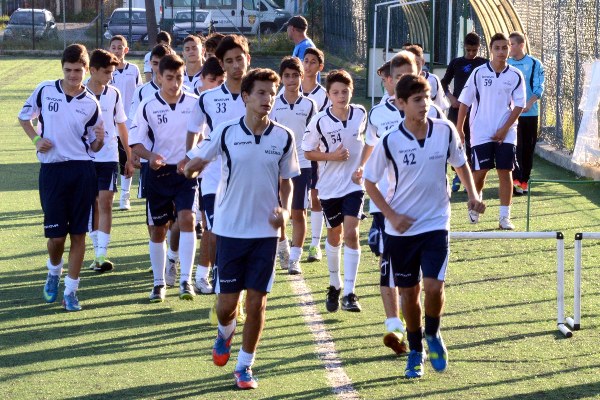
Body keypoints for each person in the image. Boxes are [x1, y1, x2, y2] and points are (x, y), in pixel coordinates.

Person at [184, 68, 300, 390]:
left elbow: (287, 183)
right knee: (226, 306)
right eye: (261, 93)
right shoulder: (225, 132)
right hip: (230, 230)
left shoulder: (283, 137)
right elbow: (197, 161)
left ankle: (245, 366)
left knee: (257, 303)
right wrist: (190, 169)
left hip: (265, 233)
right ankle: (224, 333)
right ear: (246, 96)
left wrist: (286, 213)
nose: (268, 99)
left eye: (272, 93)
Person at [364, 74, 485, 378]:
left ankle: (433, 334)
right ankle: (415, 350)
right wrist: (391, 215)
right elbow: (369, 182)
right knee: (409, 293)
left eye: (428, 97)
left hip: (435, 223)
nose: (425, 104)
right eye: (417, 99)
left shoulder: (444, 130)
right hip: (401, 230)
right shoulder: (389, 141)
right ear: (400, 103)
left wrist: (473, 194)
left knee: (433, 286)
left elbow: (460, 163)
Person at [353, 51, 446, 356]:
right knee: (387, 263)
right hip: (385, 204)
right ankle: (394, 323)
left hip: (426, 210)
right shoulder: (379, 113)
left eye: (413, 72)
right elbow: (371, 146)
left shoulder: (430, 110)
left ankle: (417, 330)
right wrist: (362, 168)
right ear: (389, 80)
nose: (407, 79)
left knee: (422, 283)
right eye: (401, 75)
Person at [18, 43, 105, 311]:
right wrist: (36, 139)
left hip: (82, 171)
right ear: (62, 68)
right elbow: (24, 118)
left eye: (78, 70)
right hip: (52, 171)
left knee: (79, 234)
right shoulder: (45, 90)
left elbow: (94, 145)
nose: (73, 75)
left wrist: (100, 142)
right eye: (68, 70)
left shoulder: (91, 103)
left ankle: (71, 291)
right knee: (56, 238)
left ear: (86, 70)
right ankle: (54, 270)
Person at [186, 34, 251, 318]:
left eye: (240, 59)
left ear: (248, 59)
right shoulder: (209, 98)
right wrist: (191, 158)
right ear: (222, 65)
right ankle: (222, 295)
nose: (236, 65)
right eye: (229, 61)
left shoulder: (261, 95)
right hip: (214, 179)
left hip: (251, 183)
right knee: (218, 234)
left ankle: (243, 297)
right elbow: (193, 130)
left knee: (247, 241)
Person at [129, 54, 200, 302]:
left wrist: (190, 157)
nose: (175, 83)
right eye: (169, 78)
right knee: (157, 231)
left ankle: (185, 281)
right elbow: (134, 142)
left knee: (187, 220)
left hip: (185, 173)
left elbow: (205, 136)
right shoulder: (147, 105)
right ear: (158, 77)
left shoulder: (195, 102)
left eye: (179, 77)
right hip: (157, 175)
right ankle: (159, 283)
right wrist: (150, 156)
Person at [302, 69, 366, 312]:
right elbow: (307, 151)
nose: (341, 96)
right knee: (335, 234)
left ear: (351, 92)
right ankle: (334, 284)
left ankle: (350, 292)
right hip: (329, 187)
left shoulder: (361, 113)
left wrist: (362, 167)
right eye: (336, 92)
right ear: (328, 95)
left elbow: (368, 143)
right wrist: (332, 156)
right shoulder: (320, 120)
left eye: (345, 91)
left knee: (352, 232)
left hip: (354, 185)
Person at [457, 33, 526, 230]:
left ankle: (504, 218)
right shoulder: (479, 73)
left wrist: (505, 129)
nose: (502, 52)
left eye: (505, 47)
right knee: (480, 172)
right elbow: (464, 102)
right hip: (481, 131)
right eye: (498, 48)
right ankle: (475, 205)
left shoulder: (515, 75)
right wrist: (460, 129)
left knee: (506, 172)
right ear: (490, 49)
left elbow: (519, 106)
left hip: (507, 132)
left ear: (509, 49)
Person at [86, 49, 133, 272]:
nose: (110, 76)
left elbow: (121, 124)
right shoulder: (80, 91)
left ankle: (101, 255)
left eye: (112, 72)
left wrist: (129, 155)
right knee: (91, 204)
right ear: (92, 70)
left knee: (105, 202)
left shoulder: (113, 93)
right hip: (84, 158)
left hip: (109, 156)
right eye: (106, 72)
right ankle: (96, 251)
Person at [270, 56, 317, 275]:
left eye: (295, 75)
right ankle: (282, 247)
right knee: (278, 211)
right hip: (276, 164)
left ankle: (295, 258)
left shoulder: (309, 105)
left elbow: (314, 134)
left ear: (301, 77)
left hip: (303, 164)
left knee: (299, 212)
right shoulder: (274, 102)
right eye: (286, 76)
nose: (291, 80)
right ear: (281, 79)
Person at [191, 55, 225, 293]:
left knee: (229, 231)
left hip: (240, 178)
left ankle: (222, 274)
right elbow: (194, 133)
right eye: (212, 79)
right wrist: (194, 158)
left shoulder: (249, 94)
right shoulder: (204, 99)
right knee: (211, 228)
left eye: (219, 79)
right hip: (211, 175)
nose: (216, 83)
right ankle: (203, 274)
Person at [441, 32, 487, 192]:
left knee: (474, 142)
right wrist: (451, 98)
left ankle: (473, 175)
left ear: (478, 48)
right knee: (457, 142)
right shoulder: (456, 63)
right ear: (464, 47)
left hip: (475, 111)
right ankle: (457, 175)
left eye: (474, 50)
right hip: (457, 109)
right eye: (469, 50)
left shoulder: (484, 64)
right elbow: (444, 83)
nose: (471, 54)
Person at [301, 47, 331, 262]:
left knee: (315, 196)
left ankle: (314, 244)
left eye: (313, 62)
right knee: (291, 199)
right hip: (293, 151)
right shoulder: (292, 89)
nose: (308, 65)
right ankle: (289, 243)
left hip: (314, 151)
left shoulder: (323, 94)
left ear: (320, 67)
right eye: (306, 61)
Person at [108, 35, 142, 210]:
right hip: (109, 122)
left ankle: (125, 197)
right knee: (108, 159)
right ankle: (109, 193)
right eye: (113, 47)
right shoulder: (107, 71)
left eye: (120, 47)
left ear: (126, 50)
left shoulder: (134, 70)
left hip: (128, 122)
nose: (116, 50)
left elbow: (139, 94)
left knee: (126, 159)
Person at [508, 31, 545, 195]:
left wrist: (529, 104)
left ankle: (524, 181)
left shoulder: (535, 63)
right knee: (516, 147)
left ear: (521, 45)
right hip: (510, 114)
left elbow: (539, 87)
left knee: (528, 148)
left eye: (511, 44)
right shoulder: (506, 64)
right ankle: (515, 180)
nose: (508, 48)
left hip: (529, 114)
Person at [404, 44, 449, 111]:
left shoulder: (433, 79)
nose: (414, 67)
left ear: (422, 62)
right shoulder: (401, 81)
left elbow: (441, 106)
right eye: (410, 63)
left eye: (417, 63)